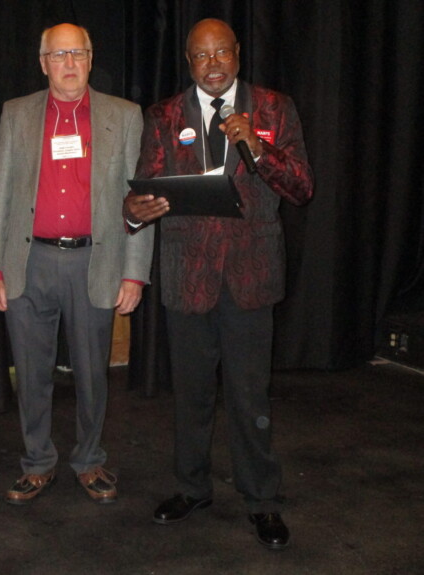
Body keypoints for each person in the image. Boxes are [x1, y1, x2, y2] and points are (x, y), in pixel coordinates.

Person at [124, 19, 314, 549]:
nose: (213, 64)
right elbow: (145, 184)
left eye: (222, 53)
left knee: (251, 395)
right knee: (191, 395)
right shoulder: (163, 115)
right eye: (202, 57)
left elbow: (301, 187)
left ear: (237, 54)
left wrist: (258, 144)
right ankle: (192, 488)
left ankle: (263, 501)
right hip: (189, 277)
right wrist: (135, 210)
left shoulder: (275, 107)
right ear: (189, 62)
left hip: (252, 277)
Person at [0, 23, 153, 505]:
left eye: (78, 53)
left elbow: (139, 201)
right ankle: (37, 461)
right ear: (43, 63)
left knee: (93, 373)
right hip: (27, 260)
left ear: (91, 58)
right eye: (59, 55)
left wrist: (135, 272)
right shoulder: (17, 115)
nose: (70, 64)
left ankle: (90, 458)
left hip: (94, 262)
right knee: (31, 371)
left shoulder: (125, 115)